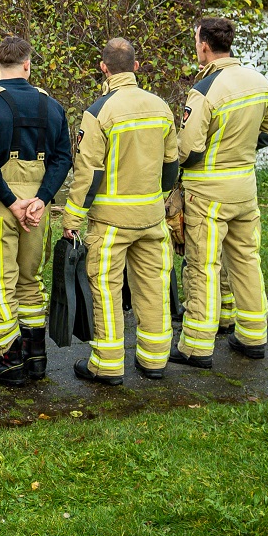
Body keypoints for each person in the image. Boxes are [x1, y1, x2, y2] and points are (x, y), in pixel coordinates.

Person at [62, 39, 180, 384]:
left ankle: (108, 365)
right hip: (152, 217)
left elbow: (88, 173)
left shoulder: (98, 112)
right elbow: (170, 168)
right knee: (154, 286)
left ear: (103, 68)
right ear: (136, 66)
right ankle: (155, 359)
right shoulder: (161, 107)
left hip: (111, 222)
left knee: (106, 290)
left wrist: (71, 219)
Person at [173, 16, 268, 365]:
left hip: (207, 191)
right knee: (247, 259)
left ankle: (196, 346)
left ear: (204, 45)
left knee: (203, 265)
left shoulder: (205, 91)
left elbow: (187, 149)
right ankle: (253, 336)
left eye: (196, 42)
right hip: (245, 187)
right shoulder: (258, 81)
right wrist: (241, 150)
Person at [0, 35, 73, 385]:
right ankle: (36, 358)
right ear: (28, 65)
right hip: (37, 211)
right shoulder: (53, 106)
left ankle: (8, 361)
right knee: (31, 280)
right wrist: (41, 199)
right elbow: (62, 159)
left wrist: (12, 202)